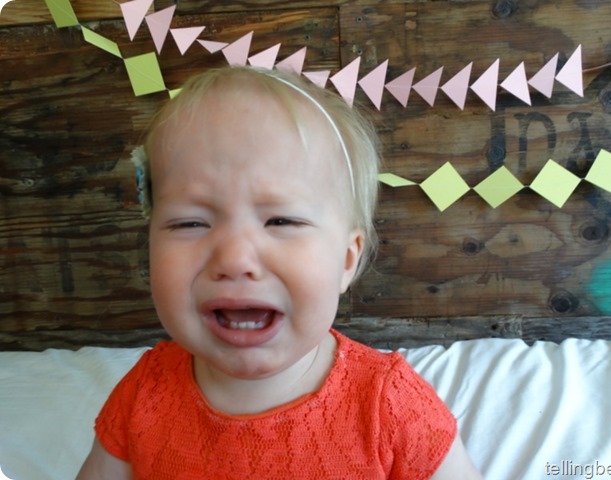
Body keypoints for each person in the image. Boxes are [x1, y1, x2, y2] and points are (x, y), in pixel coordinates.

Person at [76, 66, 482, 479]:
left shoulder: (388, 405)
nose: (235, 259)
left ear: (346, 260)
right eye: (190, 223)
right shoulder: (144, 393)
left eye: (281, 221)